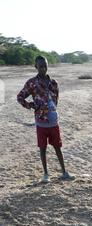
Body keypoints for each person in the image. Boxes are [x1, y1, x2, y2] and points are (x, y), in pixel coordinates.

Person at [17, 56, 74, 184]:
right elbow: (20, 97)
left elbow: (56, 100)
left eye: (45, 66)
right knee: (42, 148)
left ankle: (64, 172)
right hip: (40, 122)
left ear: (47, 66)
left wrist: (51, 110)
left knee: (57, 147)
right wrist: (31, 105)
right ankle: (46, 174)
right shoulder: (31, 83)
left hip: (54, 121)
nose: (43, 68)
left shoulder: (54, 83)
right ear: (36, 67)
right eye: (40, 66)